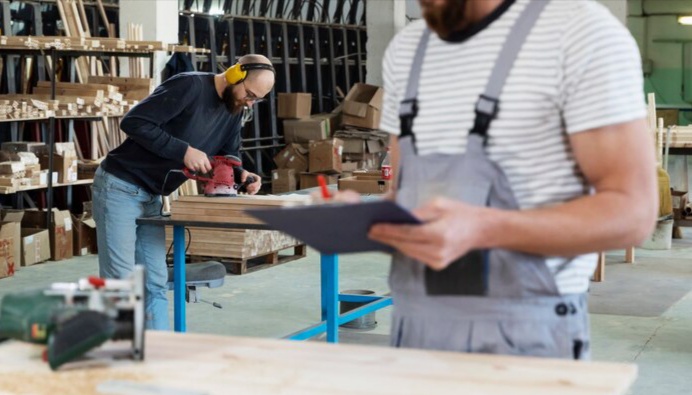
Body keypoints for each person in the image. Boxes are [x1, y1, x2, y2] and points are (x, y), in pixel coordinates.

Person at [364, 0, 658, 359]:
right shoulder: (407, 49)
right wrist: (369, 216)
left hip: (524, 335)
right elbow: (409, 196)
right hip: (416, 326)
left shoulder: (579, 32)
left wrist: (484, 229)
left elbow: (634, 212)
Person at [92, 54, 275, 329]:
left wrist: (243, 175)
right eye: (249, 94)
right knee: (120, 280)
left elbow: (229, 154)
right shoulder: (189, 87)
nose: (250, 102)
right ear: (235, 74)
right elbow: (134, 122)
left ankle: (159, 356)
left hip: (152, 197)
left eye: (256, 99)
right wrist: (183, 151)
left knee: (154, 281)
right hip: (120, 186)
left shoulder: (234, 110)